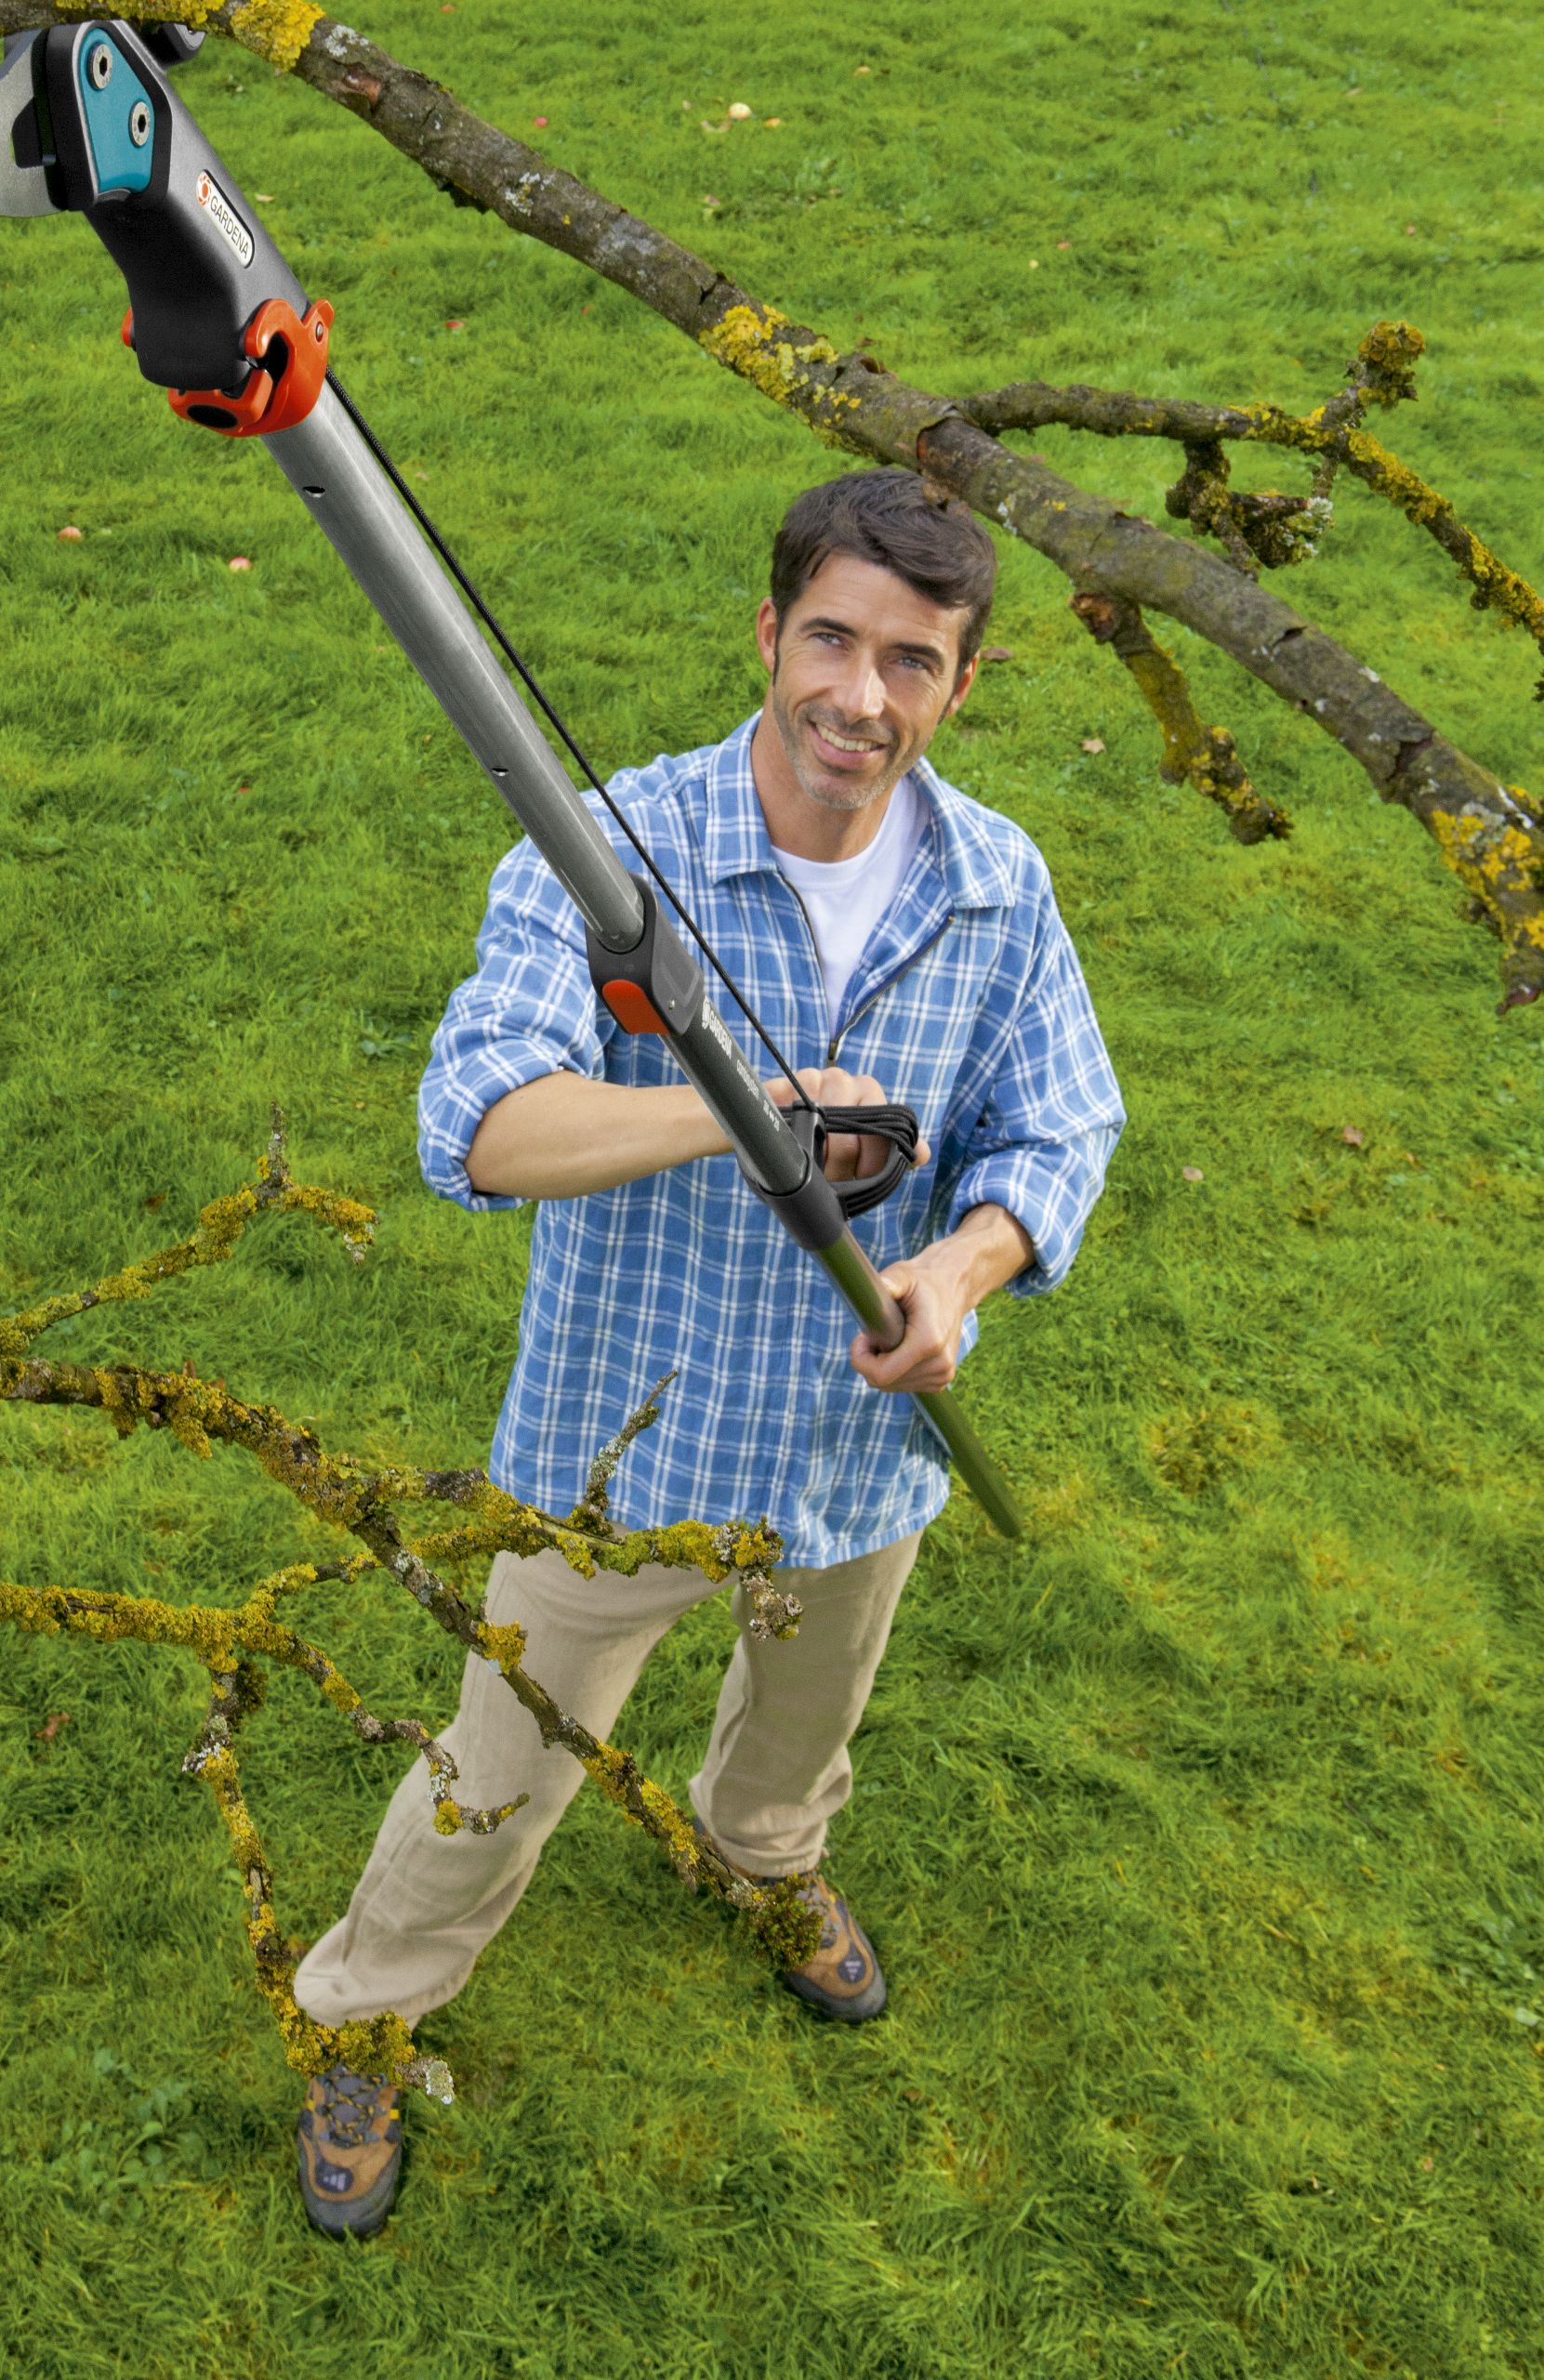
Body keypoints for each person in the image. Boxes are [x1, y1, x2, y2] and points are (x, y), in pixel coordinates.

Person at [290, 469, 1124, 2238]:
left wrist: (963, 1273)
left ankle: (763, 1865)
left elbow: (1059, 1132)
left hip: (854, 1460)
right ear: (767, 635)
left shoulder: (996, 888)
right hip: (621, 1449)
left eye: (912, 661)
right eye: (829, 638)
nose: (859, 698)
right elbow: (483, 1123)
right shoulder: (606, 853)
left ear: (957, 685)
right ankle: (367, 2015)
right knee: (491, 1781)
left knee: (795, 1746)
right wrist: (732, 1114)